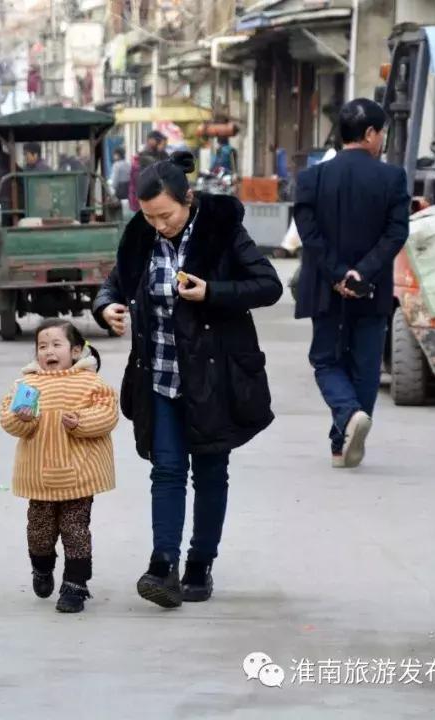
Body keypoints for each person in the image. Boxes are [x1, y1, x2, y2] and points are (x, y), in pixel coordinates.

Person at [93, 151, 282, 608]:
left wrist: (212, 292)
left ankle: (200, 563)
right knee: (167, 470)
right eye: (150, 216)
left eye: (167, 215)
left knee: (211, 470)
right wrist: (105, 307)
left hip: (213, 377)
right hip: (159, 375)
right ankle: (163, 565)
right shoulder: (140, 237)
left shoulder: (222, 234)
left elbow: (269, 285)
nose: (159, 225)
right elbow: (115, 283)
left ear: (188, 199)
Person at [293, 99, 410, 469]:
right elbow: (396, 234)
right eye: (382, 133)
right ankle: (343, 440)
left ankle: (344, 420)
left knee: (327, 360)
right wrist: (362, 273)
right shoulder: (392, 178)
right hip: (371, 290)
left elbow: (309, 236)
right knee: (365, 366)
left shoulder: (311, 178)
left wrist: (337, 274)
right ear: (371, 133)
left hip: (326, 288)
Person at [0, 319, 118, 614]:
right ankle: (41, 568)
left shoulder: (91, 383)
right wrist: (22, 419)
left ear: (76, 350)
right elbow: (8, 420)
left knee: (75, 530)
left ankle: (75, 586)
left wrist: (82, 422)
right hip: (39, 477)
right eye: (42, 346)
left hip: (79, 475)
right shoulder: (26, 385)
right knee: (39, 532)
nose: (48, 351)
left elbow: (108, 414)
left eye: (56, 345)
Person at [128, 131, 169, 212]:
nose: (163, 145)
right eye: (160, 142)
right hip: (145, 200)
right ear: (151, 141)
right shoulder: (144, 157)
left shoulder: (161, 154)